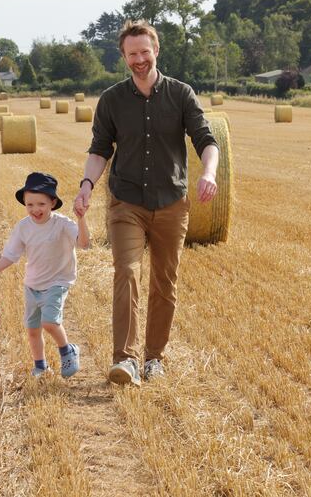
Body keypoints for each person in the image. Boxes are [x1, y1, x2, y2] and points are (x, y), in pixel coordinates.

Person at [73, 20, 220, 386]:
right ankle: (126, 359)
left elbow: (206, 139)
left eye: (145, 51)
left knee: (164, 283)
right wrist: (87, 184)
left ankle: (155, 358)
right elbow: (99, 149)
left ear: (156, 51)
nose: (139, 59)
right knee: (126, 271)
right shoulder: (112, 100)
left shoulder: (181, 94)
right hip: (127, 202)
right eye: (132, 53)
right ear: (123, 56)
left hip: (172, 201)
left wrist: (210, 173)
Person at [0, 172, 90, 379]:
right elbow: (10, 255)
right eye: (29, 204)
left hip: (57, 282)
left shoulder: (62, 224)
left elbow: (83, 243)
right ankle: (40, 366)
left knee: (49, 322)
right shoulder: (23, 227)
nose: (35, 209)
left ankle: (68, 350)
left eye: (41, 204)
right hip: (32, 284)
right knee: (32, 330)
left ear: (53, 202)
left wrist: (81, 218)